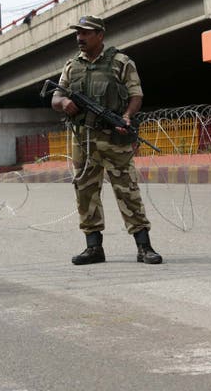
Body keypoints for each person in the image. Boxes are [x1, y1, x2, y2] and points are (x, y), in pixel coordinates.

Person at [51, 15, 163, 264]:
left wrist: (126, 116)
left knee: (127, 190)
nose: (79, 37)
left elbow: (136, 95)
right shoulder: (71, 66)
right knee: (85, 192)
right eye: (77, 33)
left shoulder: (121, 63)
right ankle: (93, 248)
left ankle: (144, 246)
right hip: (83, 140)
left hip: (114, 138)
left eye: (85, 33)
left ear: (100, 35)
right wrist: (64, 102)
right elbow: (55, 97)